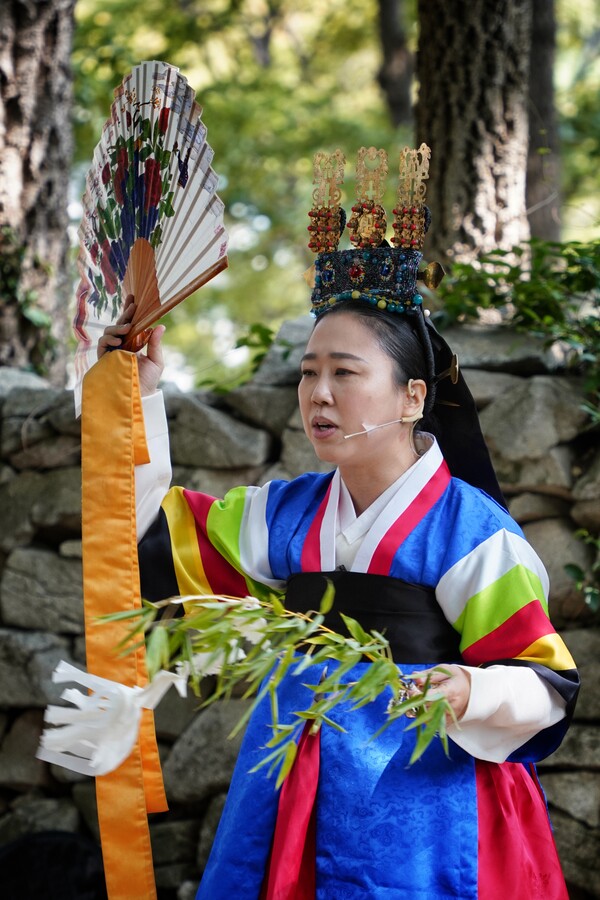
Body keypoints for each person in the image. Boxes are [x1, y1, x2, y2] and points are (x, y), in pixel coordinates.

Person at [98, 147, 579, 900]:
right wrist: (138, 392)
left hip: (429, 798)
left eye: (345, 373)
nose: (319, 394)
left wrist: (470, 692)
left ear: (413, 396)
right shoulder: (285, 513)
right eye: (308, 372)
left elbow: (547, 683)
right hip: (296, 787)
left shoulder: (473, 535)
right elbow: (144, 537)